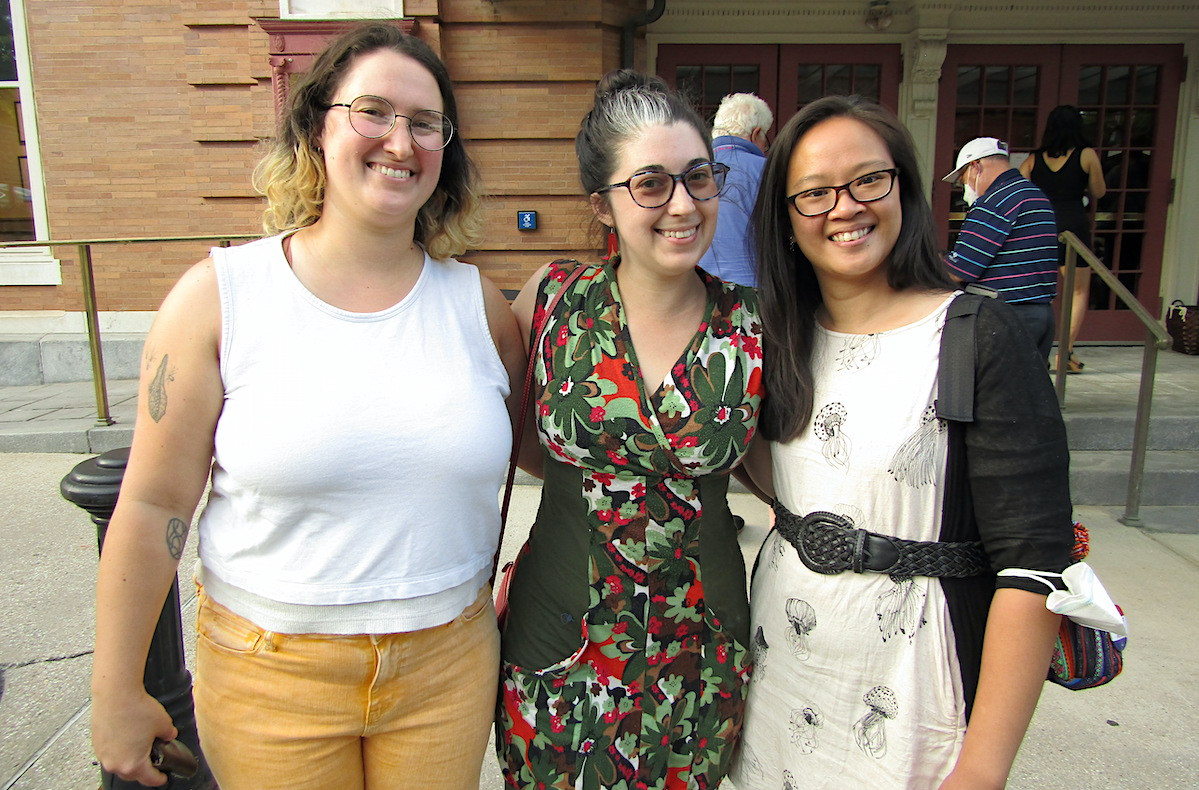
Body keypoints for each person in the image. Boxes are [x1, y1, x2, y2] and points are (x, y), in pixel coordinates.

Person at [90, 23, 524, 789]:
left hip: (446, 666)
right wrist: (115, 686)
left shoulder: (479, 308)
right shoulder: (218, 299)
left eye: (425, 123)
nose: (400, 140)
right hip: (269, 674)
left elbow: (537, 459)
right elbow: (154, 500)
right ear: (317, 126)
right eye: (374, 112)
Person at [732, 96, 1073, 789]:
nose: (844, 207)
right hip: (782, 674)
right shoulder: (774, 337)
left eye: (867, 180)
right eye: (814, 193)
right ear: (786, 220)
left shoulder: (978, 334)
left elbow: (1033, 568)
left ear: (904, 189)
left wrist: (980, 770)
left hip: (913, 687)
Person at [496, 70, 765, 789]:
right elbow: (519, 444)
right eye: (650, 184)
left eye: (697, 178)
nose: (681, 204)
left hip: (699, 649)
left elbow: (778, 473)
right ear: (602, 204)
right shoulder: (553, 300)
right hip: (559, 627)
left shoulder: (753, 326)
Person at [943, 136, 1060, 361]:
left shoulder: (994, 202)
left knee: (998, 394)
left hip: (1007, 316)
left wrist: (923, 267)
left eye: (963, 178)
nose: (964, 186)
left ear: (975, 166)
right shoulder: (1035, 195)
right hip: (1041, 314)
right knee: (1031, 391)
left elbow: (960, 270)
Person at [1019, 105, 1107, 373]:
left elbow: (1019, 187)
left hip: (1041, 225)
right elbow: (1099, 191)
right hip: (1073, 223)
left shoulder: (1034, 159)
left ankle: (1040, 351)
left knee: (1040, 289)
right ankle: (1065, 352)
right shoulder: (1086, 155)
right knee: (1077, 291)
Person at [697, 92, 773, 286]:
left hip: (698, 287)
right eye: (766, 139)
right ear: (756, 134)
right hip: (753, 294)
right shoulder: (768, 171)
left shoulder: (692, 170)